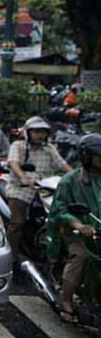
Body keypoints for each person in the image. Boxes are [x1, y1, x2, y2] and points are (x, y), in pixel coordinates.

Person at [7, 116, 72, 265]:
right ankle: (10, 257)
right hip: (21, 188)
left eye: (43, 132)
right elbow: (13, 163)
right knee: (17, 222)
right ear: (28, 133)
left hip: (44, 189)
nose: (40, 135)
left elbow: (62, 164)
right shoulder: (18, 146)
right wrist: (23, 177)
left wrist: (77, 177)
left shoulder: (49, 148)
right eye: (36, 132)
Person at [50, 134, 101, 323]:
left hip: (99, 231)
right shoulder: (69, 181)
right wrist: (79, 224)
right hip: (74, 233)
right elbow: (60, 210)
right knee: (81, 256)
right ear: (87, 156)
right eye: (98, 155)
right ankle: (65, 300)